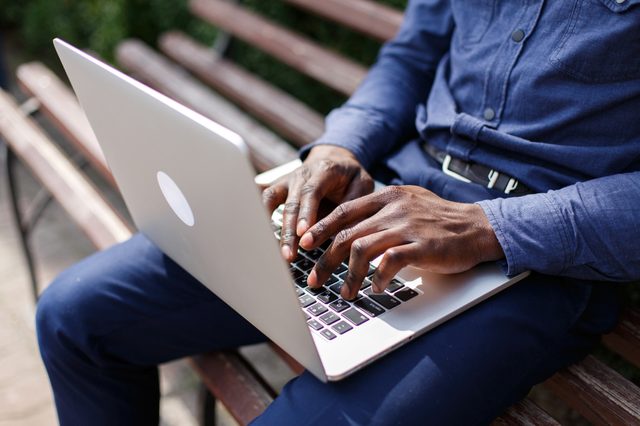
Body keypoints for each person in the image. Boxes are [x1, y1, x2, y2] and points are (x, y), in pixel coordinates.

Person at [36, 0, 640, 424]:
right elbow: (414, 52)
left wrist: (485, 227)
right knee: (74, 318)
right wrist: (342, 145)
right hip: (393, 192)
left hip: (534, 258)